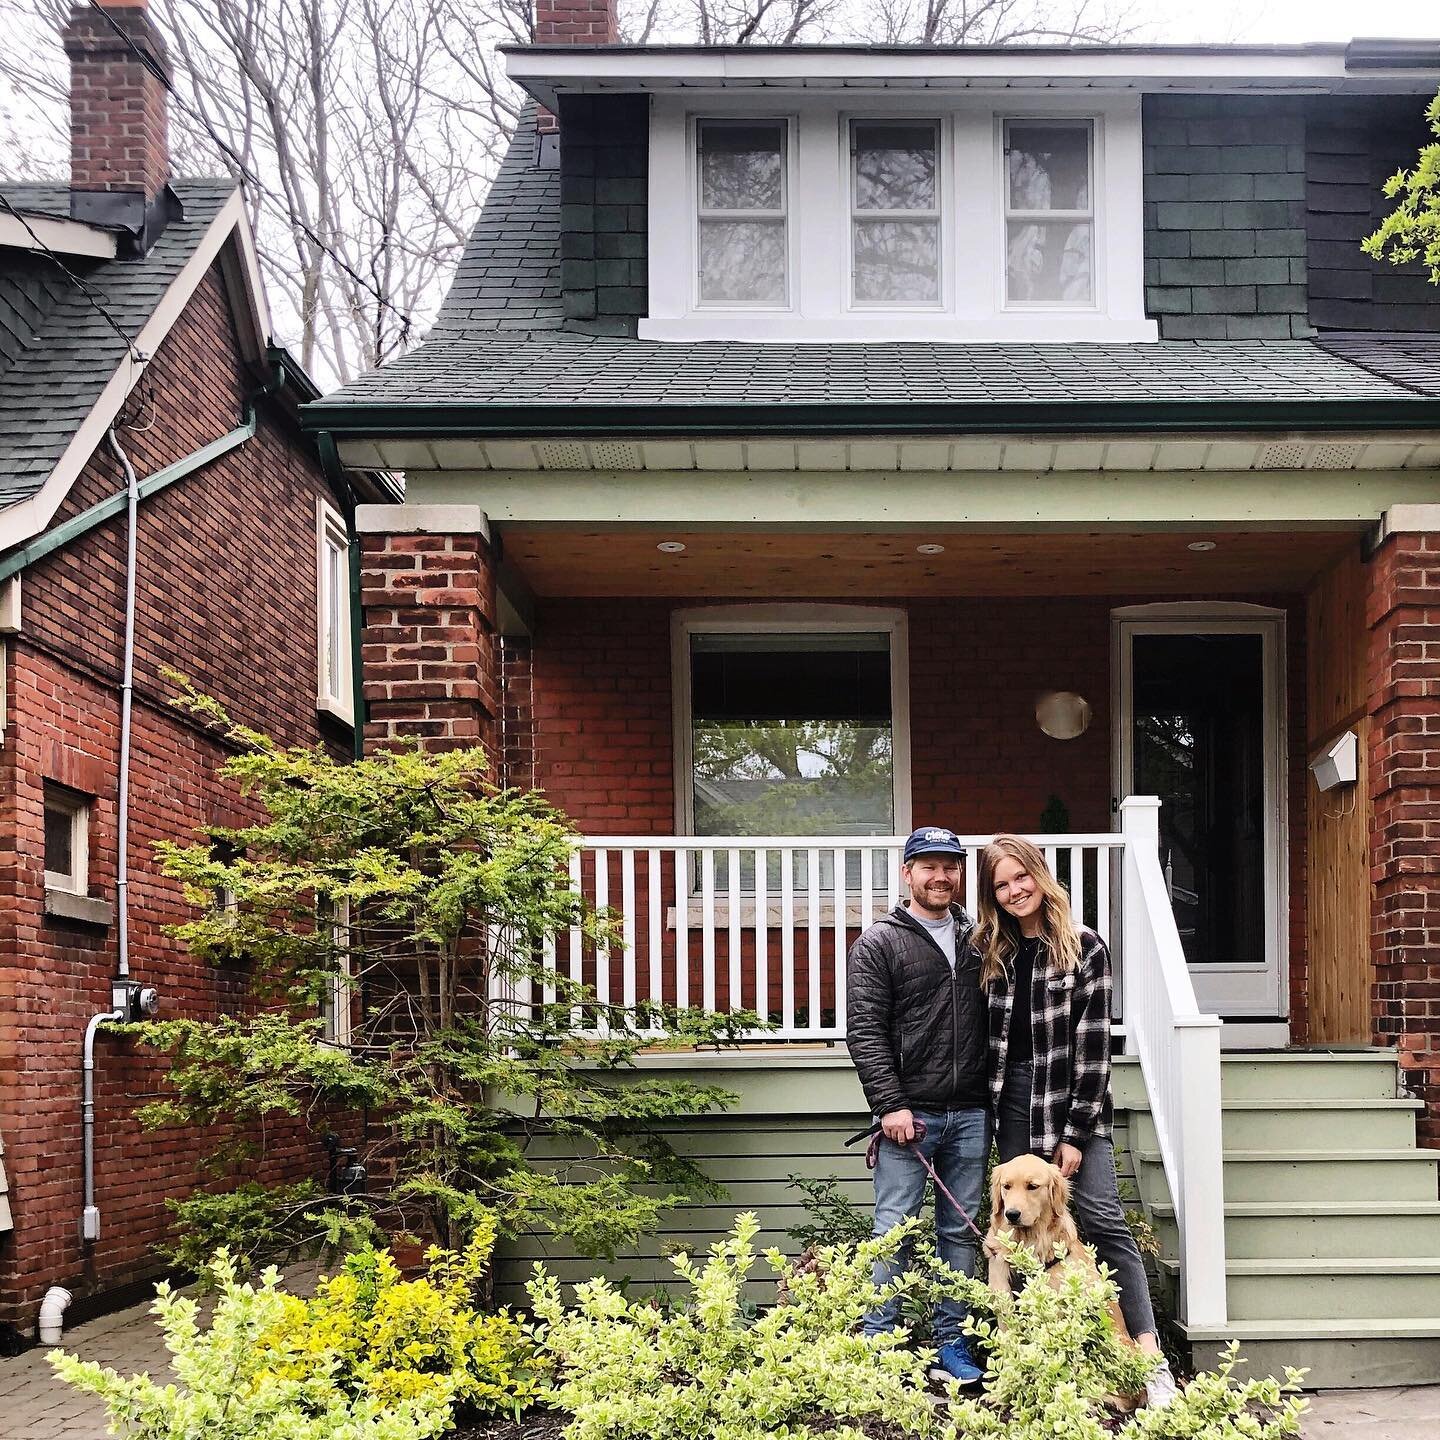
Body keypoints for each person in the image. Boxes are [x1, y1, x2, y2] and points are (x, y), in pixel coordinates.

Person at [976, 834, 1178, 1407]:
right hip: (1012, 1103)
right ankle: (1029, 1361)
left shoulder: (1084, 947)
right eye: (1001, 884)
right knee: (1011, 1236)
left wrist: (1075, 1135)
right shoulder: (990, 950)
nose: (1015, 891)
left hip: (1072, 1101)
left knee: (1102, 1221)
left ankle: (1148, 1359)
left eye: (1022, 877)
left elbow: (1095, 1052)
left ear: (1041, 876)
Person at [846, 827, 990, 1387]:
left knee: (960, 1231)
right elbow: (865, 1031)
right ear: (907, 873)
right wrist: (890, 1104)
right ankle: (880, 1340)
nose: (941, 876)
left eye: (950, 866)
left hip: (973, 1112)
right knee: (894, 1230)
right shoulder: (880, 942)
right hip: (911, 1116)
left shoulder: (978, 939)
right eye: (928, 865)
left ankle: (952, 1342)